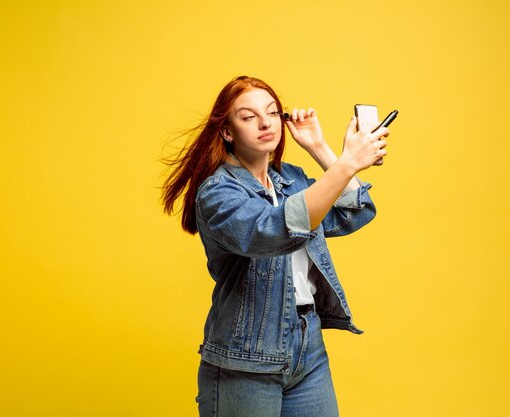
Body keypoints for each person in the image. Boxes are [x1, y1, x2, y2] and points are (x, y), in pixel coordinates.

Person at [161, 75, 390, 417]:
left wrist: (319, 148)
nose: (266, 122)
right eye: (248, 116)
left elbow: (354, 212)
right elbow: (271, 231)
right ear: (227, 131)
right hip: (246, 354)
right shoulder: (217, 192)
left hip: (307, 346)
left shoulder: (292, 179)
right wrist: (348, 163)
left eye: (271, 112)